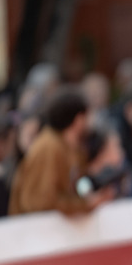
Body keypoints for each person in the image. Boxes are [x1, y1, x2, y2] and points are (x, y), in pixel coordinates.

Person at [8, 86, 113, 215]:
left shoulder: (75, 148)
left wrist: (93, 193)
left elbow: (76, 187)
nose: (90, 122)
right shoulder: (48, 147)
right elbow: (40, 201)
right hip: (32, 230)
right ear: (79, 119)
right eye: (88, 116)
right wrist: (86, 204)